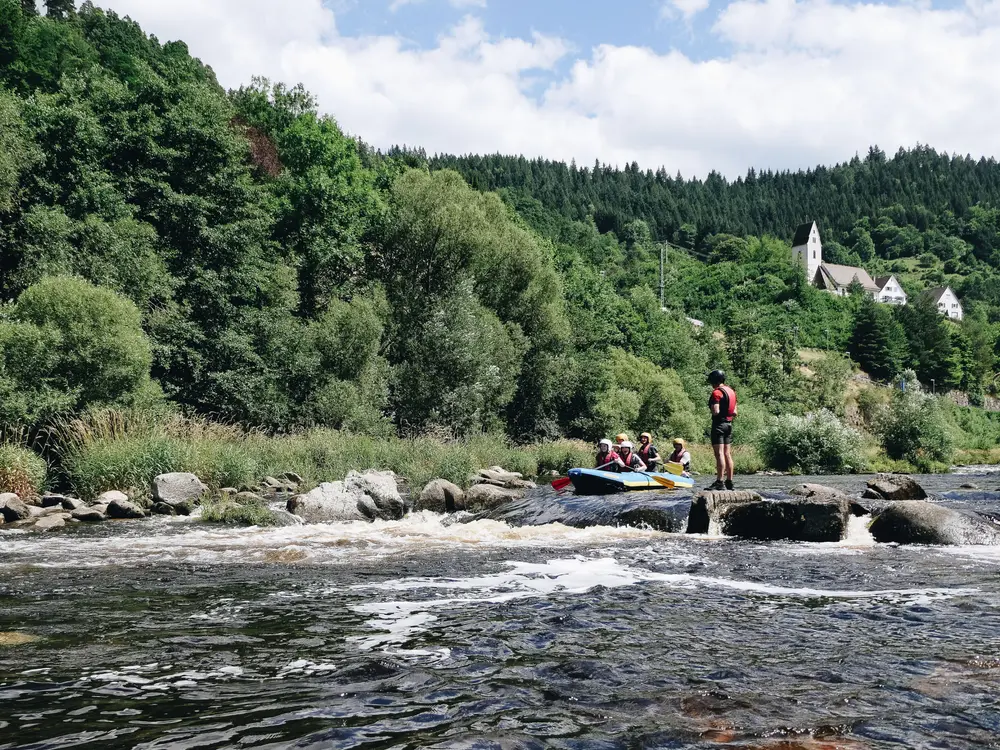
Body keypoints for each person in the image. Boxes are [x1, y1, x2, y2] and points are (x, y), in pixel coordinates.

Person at [707, 370, 737, 491]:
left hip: (718, 425)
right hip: (728, 424)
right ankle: (729, 482)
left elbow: (716, 411)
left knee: (719, 454)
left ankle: (719, 481)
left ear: (714, 381)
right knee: (727, 454)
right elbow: (734, 412)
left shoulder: (717, 393)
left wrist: (712, 408)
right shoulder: (732, 391)